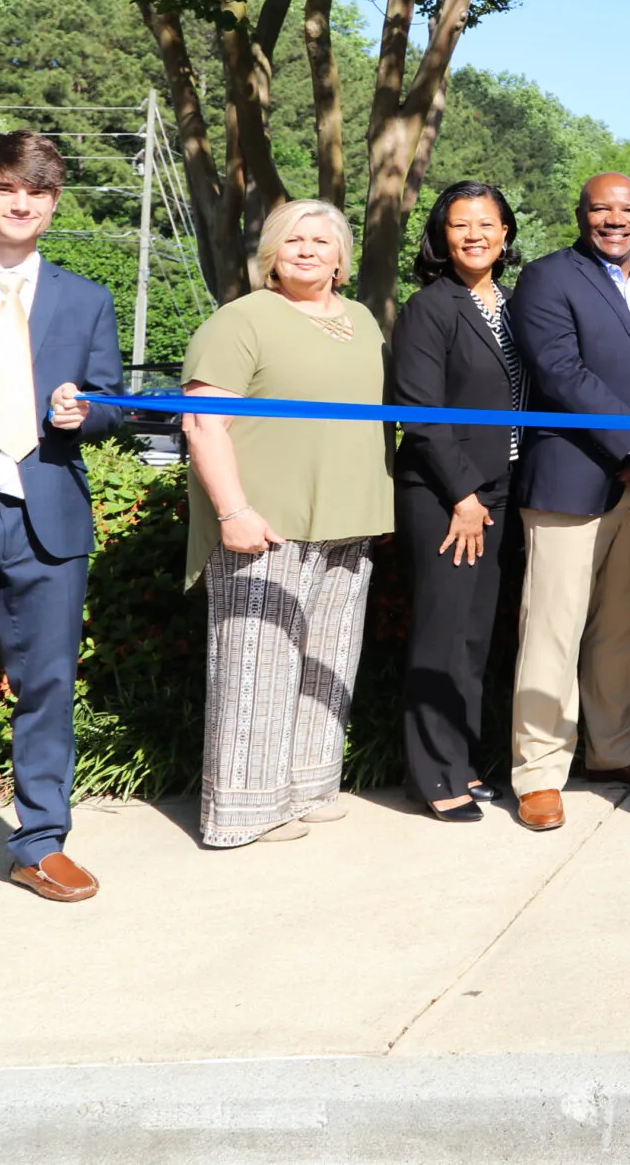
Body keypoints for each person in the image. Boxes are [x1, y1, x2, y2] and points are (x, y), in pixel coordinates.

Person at [180, 199, 394, 848]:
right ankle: (245, 809)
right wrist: (233, 511)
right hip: (264, 521)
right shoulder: (241, 319)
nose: (307, 250)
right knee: (257, 665)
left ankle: (309, 786)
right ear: (271, 253)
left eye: (321, 241)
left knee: (329, 659)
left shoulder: (363, 320)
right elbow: (202, 424)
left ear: (341, 257)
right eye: (293, 240)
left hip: (349, 520)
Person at [506, 172, 630, 833]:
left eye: (628, 209)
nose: (616, 220)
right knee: (551, 629)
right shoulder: (547, 278)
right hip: (572, 480)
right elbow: (561, 372)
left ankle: (615, 750)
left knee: (625, 623)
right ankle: (538, 773)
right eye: (601, 209)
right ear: (580, 214)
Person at [0, 133, 123, 902]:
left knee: (49, 685)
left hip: (48, 517)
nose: (21, 202)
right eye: (4, 187)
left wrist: (85, 413)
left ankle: (40, 843)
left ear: (55, 203)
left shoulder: (86, 298)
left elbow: (111, 403)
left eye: (37, 190)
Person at [389, 181, 527, 823]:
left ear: (505, 233)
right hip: (448, 496)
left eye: (486, 224)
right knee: (441, 634)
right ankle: (433, 776)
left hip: (501, 489)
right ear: (441, 237)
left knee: (473, 638)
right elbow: (420, 411)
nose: (474, 235)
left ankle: (462, 762)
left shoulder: (515, 305)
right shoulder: (428, 307)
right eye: (459, 224)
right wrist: (464, 495)